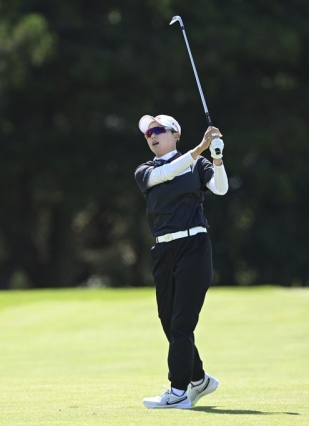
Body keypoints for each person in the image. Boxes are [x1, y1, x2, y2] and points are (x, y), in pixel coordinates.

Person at [134, 114, 229, 409]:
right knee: (168, 321)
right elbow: (167, 174)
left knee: (181, 324)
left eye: (159, 130)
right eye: (148, 132)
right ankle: (199, 379)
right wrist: (200, 148)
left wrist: (216, 158)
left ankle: (178, 392)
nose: (152, 135)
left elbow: (221, 188)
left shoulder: (198, 165)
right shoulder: (145, 170)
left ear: (176, 134)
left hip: (194, 247)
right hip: (163, 251)